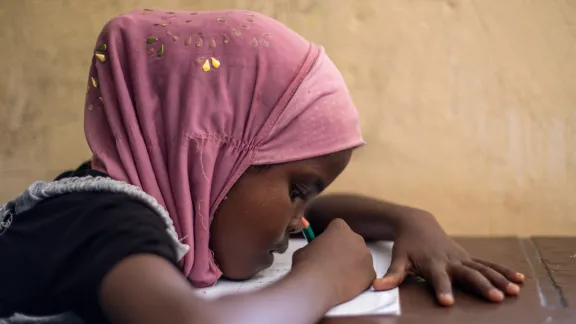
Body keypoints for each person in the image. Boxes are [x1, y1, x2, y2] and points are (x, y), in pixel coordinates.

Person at [0, 9, 524, 324]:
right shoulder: (106, 222)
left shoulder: (138, 197)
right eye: (299, 189)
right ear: (211, 157)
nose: (302, 221)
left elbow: (273, 205)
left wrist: (409, 221)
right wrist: (322, 279)